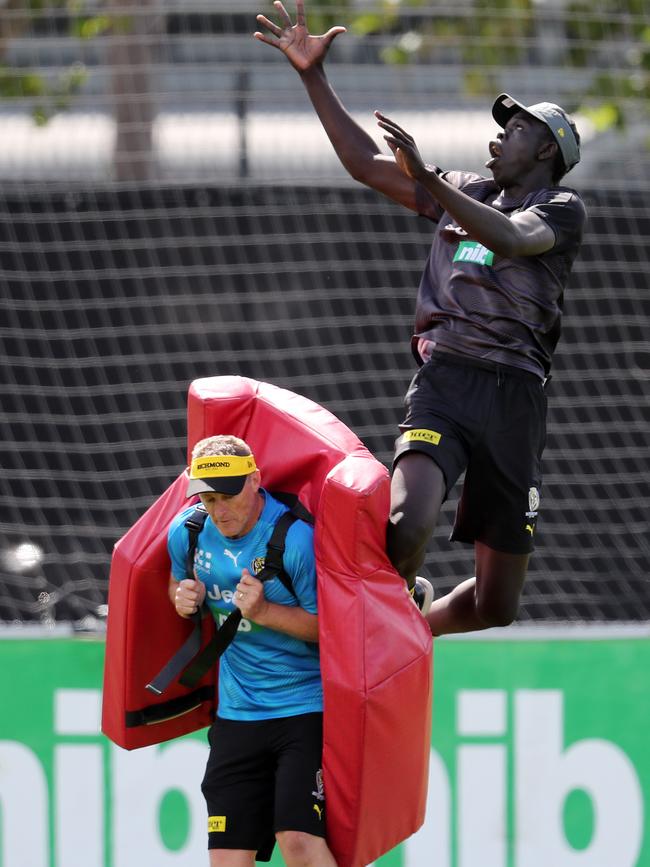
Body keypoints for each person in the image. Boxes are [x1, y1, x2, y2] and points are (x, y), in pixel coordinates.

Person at [254, 1, 587, 636]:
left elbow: (515, 239)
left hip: (518, 398)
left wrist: (433, 182)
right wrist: (311, 76)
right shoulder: (464, 190)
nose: (497, 136)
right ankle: (370, 626)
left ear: (545, 148)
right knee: (408, 523)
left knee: (498, 605)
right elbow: (360, 163)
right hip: (447, 382)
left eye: (512, 130)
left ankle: (408, 630)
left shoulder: (562, 206)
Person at [167, 434, 337, 866]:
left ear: (255, 481)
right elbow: (176, 583)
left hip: (304, 710)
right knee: (226, 856)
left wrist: (264, 610)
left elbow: (331, 630)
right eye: (207, 498)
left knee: (297, 838)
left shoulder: (295, 541)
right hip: (237, 715)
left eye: (227, 496)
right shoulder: (186, 534)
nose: (218, 510)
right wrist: (181, 599)